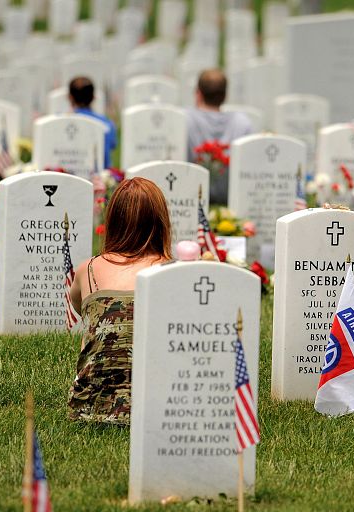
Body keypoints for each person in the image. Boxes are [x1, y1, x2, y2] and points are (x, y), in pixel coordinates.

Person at [67, 177, 171, 424]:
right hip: (158, 410)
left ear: (113, 220)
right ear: (160, 221)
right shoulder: (173, 273)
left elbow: (81, 310)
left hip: (90, 408)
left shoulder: (88, 270)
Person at [186, 68, 253, 204]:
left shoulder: (183, 119)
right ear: (225, 95)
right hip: (229, 203)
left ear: (198, 94)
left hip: (191, 201)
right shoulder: (242, 123)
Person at [68, 76, 117, 169]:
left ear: (70, 97)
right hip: (100, 177)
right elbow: (112, 146)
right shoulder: (107, 123)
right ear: (94, 97)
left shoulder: (61, 122)